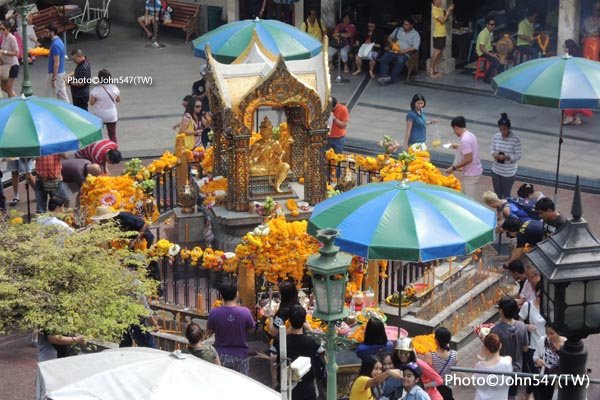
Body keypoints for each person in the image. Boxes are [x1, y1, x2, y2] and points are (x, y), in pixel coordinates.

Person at [206, 281, 255, 374]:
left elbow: (209, 331)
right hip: (241, 355)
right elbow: (251, 329)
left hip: (220, 355)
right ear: (236, 294)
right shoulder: (245, 312)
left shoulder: (214, 312)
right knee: (242, 383)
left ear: (221, 295)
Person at [276, 305, 325, 400]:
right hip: (308, 388)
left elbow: (275, 358)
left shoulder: (282, 342)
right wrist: (310, 329)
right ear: (304, 320)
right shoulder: (312, 341)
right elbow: (322, 351)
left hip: (288, 387)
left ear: (289, 321)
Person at [490, 297, 529, 400]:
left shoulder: (495, 330)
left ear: (501, 311)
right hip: (516, 368)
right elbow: (525, 348)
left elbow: (491, 351)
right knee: (512, 393)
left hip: (500, 369)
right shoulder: (522, 326)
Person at [518, 281, 546, 400]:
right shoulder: (527, 306)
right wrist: (526, 326)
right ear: (535, 293)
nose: (541, 298)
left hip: (547, 346)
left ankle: (528, 394)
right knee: (537, 375)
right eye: (539, 295)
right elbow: (518, 324)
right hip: (532, 347)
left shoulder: (550, 306)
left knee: (539, 376)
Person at [445, 116, 483, 199]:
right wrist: (459, 146)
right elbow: (470, 149)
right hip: (475, 170)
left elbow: (469, 158)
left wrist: (453, 168)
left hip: (470, 173)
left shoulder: (464, 140)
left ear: (456, 127)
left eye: (453, 129)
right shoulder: (470, 135)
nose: (454, 132)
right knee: (464, 195)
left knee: (468, 199)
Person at [378, 17, 421, 86]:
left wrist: (404, 51)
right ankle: (385, 76)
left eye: (407, 25)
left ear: (411, 25)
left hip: (405, 54)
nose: (404, 26)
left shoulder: (415, 34)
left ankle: (392, 79)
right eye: (404, 24)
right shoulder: (398, 29)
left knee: (400, 60)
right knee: (384, 58)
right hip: (394, 51)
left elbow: (415, 47)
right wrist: (393, 44)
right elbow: (389, 38)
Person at [90, 205, 155, 249]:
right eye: (101, 219)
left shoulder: (125, 217)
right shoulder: (104, 224)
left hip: (142, 238)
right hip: (126, 243)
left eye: (104, 219)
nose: (103, 221)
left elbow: (144, 224)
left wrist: (135, 240)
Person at [490, 113, 521, 199]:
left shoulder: (515, 140)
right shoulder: (496, 136)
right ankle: (499, 212)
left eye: (505, 130)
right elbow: (492, 148)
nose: (503, 132)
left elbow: (518, 155)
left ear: (509, 128)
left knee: (506, 195)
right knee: (497, 195)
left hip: (508, 173)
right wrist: (494, 154)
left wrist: (507, 157)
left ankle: (506, 211)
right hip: (496, 170)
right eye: (501, 130)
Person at [473, 333, 513, 400]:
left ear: (485, 348)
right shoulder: (508, 362)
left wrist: (482, 354)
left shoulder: (479, 366)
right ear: (500, 345)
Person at [562, 40, 592, 125]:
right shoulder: (578, 57)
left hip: (572, 82)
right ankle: (577, 119)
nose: (563, 48)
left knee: (568, 98)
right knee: (576, 100)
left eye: (563, 46)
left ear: (567, 49)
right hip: (579, 82)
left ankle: (569, 117)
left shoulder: (569, 58)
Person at [422, 327, 457, 400]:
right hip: (446, 389)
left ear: (436, 341)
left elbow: (424, 373)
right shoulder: (455, 355)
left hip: (433, 389)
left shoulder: (429, 356)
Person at [533, 324, 566, 400]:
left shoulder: (567, 343)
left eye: (551, 333)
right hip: (546, 378)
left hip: (562, 381)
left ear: (559, 332)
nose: (548, 336)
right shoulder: (543, 340)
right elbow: (535, 355)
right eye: (546, 333)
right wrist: (537, 360)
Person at [89, 69, 121, 143]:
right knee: (112, 135)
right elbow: (118, 100)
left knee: (97, 135)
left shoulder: (96, 90)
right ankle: (114, 151)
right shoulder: (114, 88)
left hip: (99, 116)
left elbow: (91, 103)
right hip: (111, 115)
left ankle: (99, 149)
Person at [429, 0, 454, 78]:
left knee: (440, 52)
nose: (440, 0)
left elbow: (445, 18)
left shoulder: (439, 8)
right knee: (437, 52)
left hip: (442, 33)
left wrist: (448, 10)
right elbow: (443, 21)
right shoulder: (434, 10)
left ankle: (435, 69)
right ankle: (430, 70)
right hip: (438, 34)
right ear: (434, 1)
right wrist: (448, 11)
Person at [476, 16, 504, 84]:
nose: (493, 26)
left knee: (502, 58)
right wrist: (492, 54)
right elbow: (482, 48)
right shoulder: (483, 33)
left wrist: (499, 45)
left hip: (489, 50)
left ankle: (500, 76)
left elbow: (491, 43)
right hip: (482, 52)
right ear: (487, 25)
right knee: (496, 61)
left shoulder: (491, 32)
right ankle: (486, 77)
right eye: (491, 25)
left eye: (494, 24)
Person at [47, 24, 69, 103]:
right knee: (63, 97)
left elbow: (56, 63)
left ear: (52, 32)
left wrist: (54, 79)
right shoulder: (59, 41)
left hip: (56, 74)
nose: (46, 34)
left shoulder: (55, 45)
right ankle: (69, 111)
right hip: (61, 72)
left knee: (49, 98)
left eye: (47, 32)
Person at [0, 20, 19, 98]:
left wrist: (3, 51)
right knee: (4, 87)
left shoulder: (12, 38)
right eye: (0, 29)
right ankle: (15, 100)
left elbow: (16, 53)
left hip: (13, 65)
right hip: (6, 65)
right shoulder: (4, 37)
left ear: (8, 29)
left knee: (8, 88)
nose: (1, 31)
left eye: (3, 29)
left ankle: (17, 102)